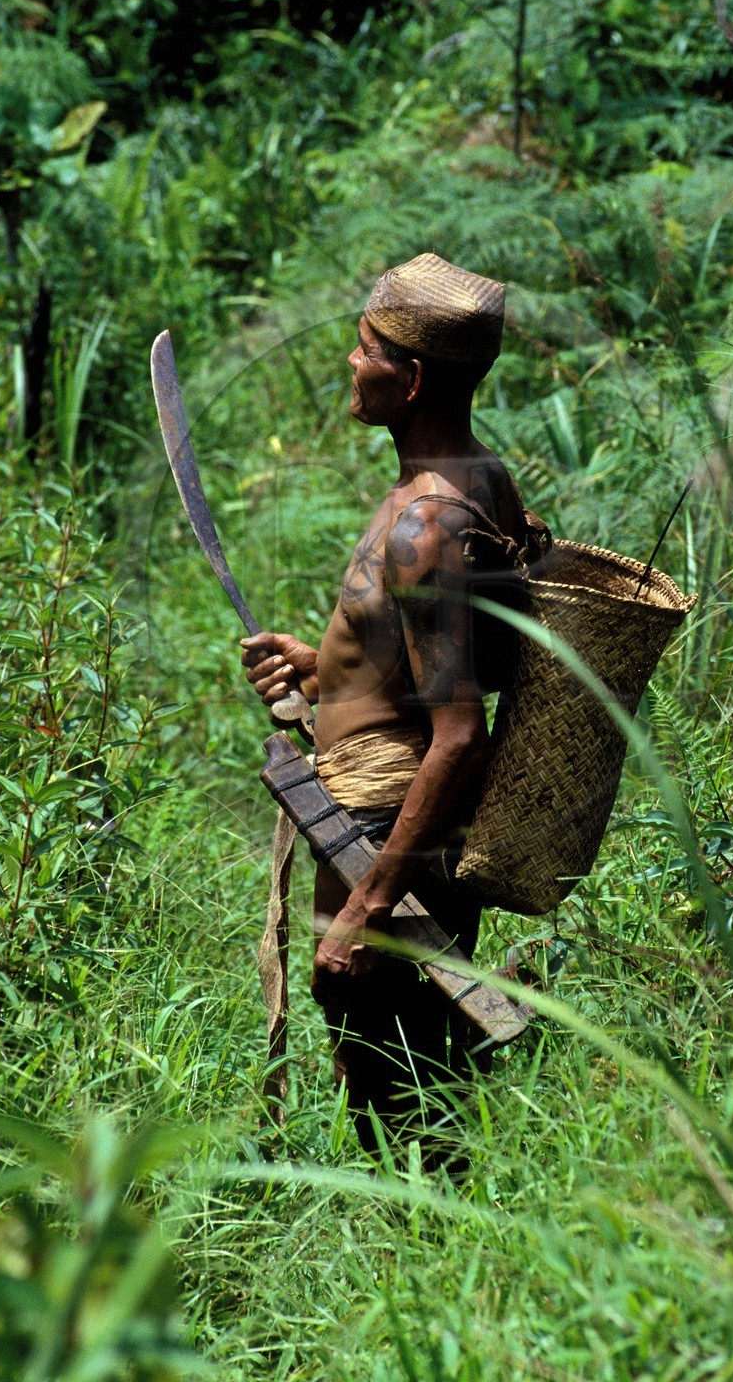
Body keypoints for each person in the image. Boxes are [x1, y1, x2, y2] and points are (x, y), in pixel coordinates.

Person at [241, 252, 547, 1159]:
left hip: (384, 820)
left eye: (364, 348)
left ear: (409, 378)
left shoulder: (426, 524)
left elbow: (459, 736)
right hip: (382, 807)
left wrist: (371, 900)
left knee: (389, 1081)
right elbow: (443, 657)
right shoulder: (477, 476)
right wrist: (328, 665)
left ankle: (426, 1252)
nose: (349, 361)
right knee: (416, 1061)